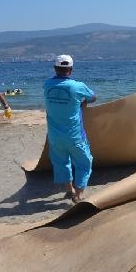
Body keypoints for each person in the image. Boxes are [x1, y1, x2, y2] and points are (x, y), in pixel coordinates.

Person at [44, 55, 96, 202]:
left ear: (55, 68)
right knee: (84, 163)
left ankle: (69, 189)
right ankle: (78, 195)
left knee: (61, 162)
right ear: (71, 70)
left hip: (54, 136)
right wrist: (81, 102)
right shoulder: (77, 86)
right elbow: (93, 97)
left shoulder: (47, 84)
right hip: (75, 135)